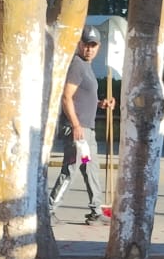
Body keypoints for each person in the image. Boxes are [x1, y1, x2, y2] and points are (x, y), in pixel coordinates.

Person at [49, 26, 115, 224]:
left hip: (86, 130)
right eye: (86, 44)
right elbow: (67, 97)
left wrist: (100, 103)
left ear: (98, 47)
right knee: (71, 169)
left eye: (93, 45)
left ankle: (96, 210)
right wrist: (76, 125)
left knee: (90, 168)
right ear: (80, 44)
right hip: (78, 130)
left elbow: (81, 98)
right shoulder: (77, 65)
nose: (89, 49)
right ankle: (48, 209)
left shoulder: (87, 66)